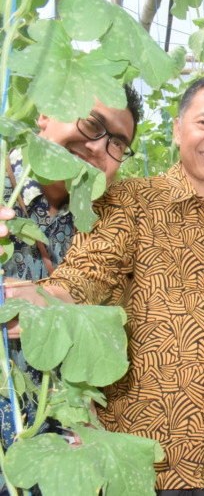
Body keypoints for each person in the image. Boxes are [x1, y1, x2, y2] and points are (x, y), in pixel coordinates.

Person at [6, 76, 204, 495]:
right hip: (141, 457)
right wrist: (46, 302)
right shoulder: (127, 202)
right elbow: (89, 273)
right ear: (179, 130)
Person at [1, 85, 141, 462]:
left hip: (61, 459)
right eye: (92, 123)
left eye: (117, 143)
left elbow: (93, 297)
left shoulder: (106, 219)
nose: (98, 146)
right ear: (45, 113)